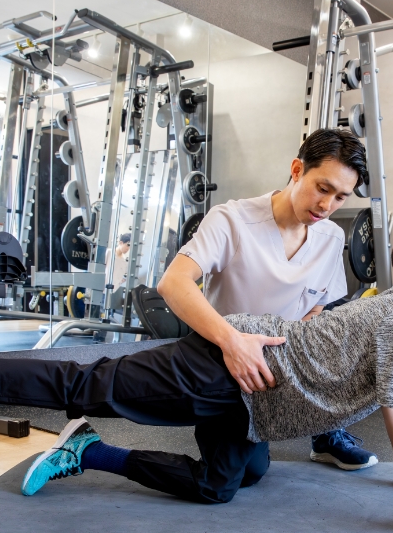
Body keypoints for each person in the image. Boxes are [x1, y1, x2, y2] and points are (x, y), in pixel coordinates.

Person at [0, 221, 393, 533]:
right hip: (224, 370)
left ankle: (89, 450)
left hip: (253, 406)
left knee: (223, 485)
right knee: (78, 385)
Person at [158, 128, 378, 470]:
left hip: (280, 360)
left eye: (340, 197)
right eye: (323, 188)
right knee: (247, 474)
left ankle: (326, 433)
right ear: (296, 170)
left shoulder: (332, 237)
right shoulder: (232, 219)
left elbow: (317, 307)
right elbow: (172, 283)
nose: (327, 205)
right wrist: (232, 342)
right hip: (225, 358)